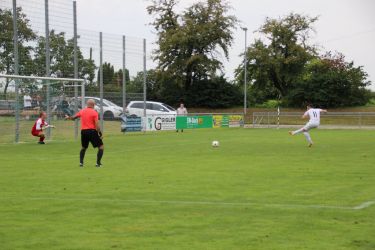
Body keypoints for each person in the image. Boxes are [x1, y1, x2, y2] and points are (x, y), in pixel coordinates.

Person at [66, 99, 104, 167]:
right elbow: (97, 125)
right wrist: (100, 133)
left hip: (83, 132)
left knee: (83, 147)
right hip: (92, 131)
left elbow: (73, 118)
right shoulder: (94, 112)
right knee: (101, 147)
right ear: (93, 105)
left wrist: (68, 117)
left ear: (87, 104)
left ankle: (81, 163)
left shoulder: (82, 111)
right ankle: (98, 163)